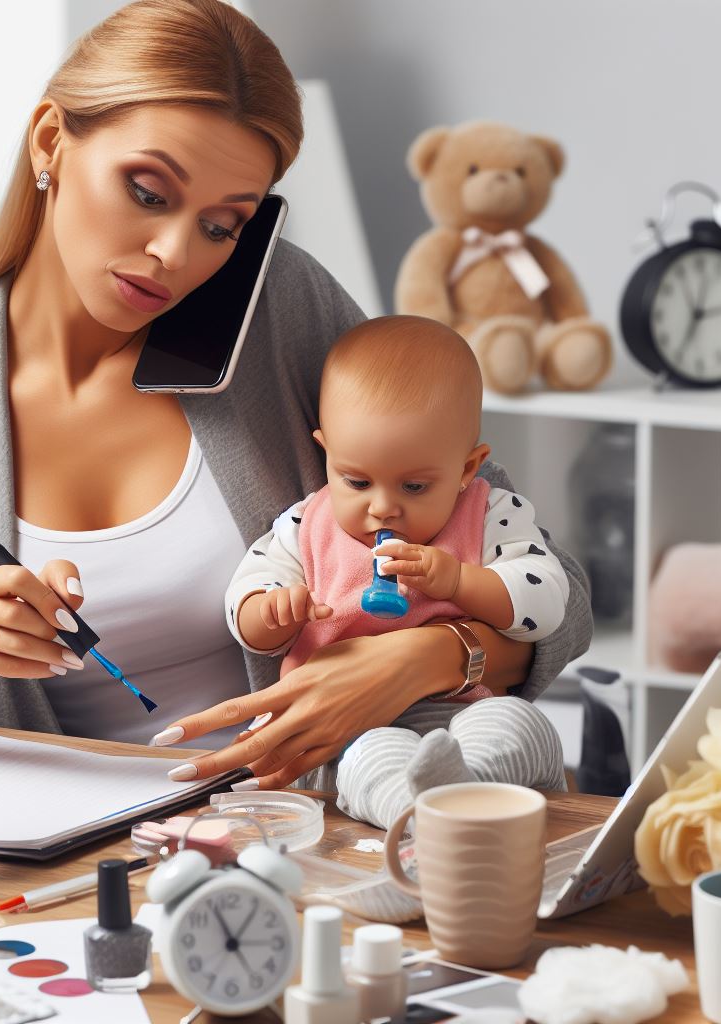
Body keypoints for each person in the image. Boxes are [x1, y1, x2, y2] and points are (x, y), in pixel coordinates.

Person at [0, 0, 592, 795]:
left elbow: (555, 593)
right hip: (54, 869)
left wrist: (430, 659)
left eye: (223, 225)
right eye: (148, 193)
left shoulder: (277, 313)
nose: (173, 254)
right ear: (50, 141)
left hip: (310, 828)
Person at [218, 315, 567, 826]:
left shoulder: (490, 514)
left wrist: (459, 581)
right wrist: (270, 612)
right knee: (373, 755)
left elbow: (547, 603)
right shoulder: (305, 524)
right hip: (340, 733)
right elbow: (244, 599)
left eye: (415, 487)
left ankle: (460, 789)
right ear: (327, 454)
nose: (383, 508)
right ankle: (415, 815)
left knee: (516, 721)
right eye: (356, 481)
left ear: (468, 469)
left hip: (459, 721)